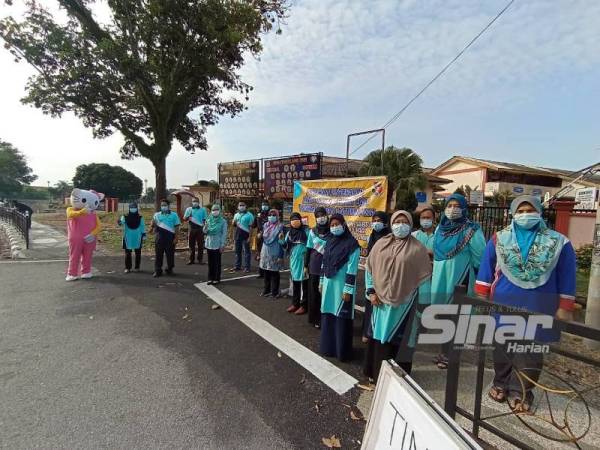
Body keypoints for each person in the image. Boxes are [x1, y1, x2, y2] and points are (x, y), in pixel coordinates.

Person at [475, 195, 576, 412]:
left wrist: (564, 306)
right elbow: (486, 266)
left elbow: (568, 275)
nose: (525, 215)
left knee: (531, 349)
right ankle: (500, 383)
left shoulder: (559, 242)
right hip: (503, 304)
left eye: (530, 211)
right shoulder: (499, 239)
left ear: (539, 213)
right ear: (512, 214)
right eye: (520, 212)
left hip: (540, 305)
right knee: (502, 346)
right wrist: (482, 295)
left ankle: (522, 391)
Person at [363, 210, 432, 381]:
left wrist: (423, 310)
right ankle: (375, 375)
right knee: (379, 341)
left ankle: (397, 381)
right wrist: (371, 291)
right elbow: (369, 269)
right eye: (397, 222)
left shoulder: (418, 249)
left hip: (404, 306)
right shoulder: (380, 244)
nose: (400, 225)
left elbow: (424, 282)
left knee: (399, 343)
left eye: (404, 222)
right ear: (391, 224)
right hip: (379, 303)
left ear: (410, 225)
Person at [431, 193, 486, 369]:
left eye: (457, 206)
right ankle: (444, 352)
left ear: (463, 209)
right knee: (445, 316)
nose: (452, 209)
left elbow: (480, 256)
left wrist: (479, 282)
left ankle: (451, 356)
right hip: (440, 278)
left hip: (460, 279)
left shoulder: (472, 229)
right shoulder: (440, 229)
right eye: (449, 205)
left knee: (457, 318)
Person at [319, 213, 360, 362]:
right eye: (332, 225)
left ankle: (342, 352)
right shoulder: (329, 241)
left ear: (344, 225)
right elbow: (325, 262)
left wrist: (348, 289)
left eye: (337, 224)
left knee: (342, 317)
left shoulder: (352, 244)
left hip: (342, 288)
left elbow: (352, 269)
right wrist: (322, 281)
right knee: (328, 315)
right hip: (329, 285)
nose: (335, 227)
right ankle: (328, 348)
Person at [362, 211, 390, 343]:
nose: (376, 223)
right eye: (374, 220)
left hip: (384, 275)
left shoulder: (390, 237)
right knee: (369, 304)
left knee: (381, 305)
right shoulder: (371, 237)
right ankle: (367, 332)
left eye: (379, 220)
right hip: (371, 273)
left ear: (385, 222)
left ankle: (378, 332)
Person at [304, 207, 330, 328]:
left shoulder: (333, 230)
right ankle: (315, 318)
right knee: (314, 293)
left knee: (326, 293)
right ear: (315, 218)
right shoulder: (312, 232)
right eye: (318, 216)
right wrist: (305, 265)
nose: (321, 218)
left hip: (329, 266)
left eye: (323, 215)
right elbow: (308, 249)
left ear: (326, 215)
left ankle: (326, 318)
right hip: (314, 266)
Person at [283, 212, 309, 314]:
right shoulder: (289, 233)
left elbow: (310, 245)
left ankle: (304, 305)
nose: (295, 221)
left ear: (300, 220)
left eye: (297, 219)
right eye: (292, 220)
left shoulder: (306, 231)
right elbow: (285, 246)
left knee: (304, 285)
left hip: (303, 261)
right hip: (293, 261)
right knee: (295, 284)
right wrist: (281, 241)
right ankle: (295, 304)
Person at [151, 199, 181, 277]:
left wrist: (176, 238)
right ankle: (158, 270)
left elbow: (177, 227)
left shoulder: (174, 215)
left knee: (170, 255)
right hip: (159, 238)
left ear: (168, 206)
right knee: (158, 255)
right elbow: (153, 227)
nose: (163, 207)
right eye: (162, 205)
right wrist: (152, 226)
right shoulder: (156, 215)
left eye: (165, 205)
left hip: (170, 238)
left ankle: (169, 269)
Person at [259, 209, 284, 297]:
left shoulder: (280, 227)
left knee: (274, 273)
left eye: (274, 215)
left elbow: (282, 242)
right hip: (265, 251)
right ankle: (266, 290)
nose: (271, 217)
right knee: (266, 272)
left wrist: (281, 256)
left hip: (275, 251)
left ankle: (274, 292)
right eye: (270, 215)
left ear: (277, 216)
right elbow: (263, 238)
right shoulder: (265, 225)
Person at [118, 202, 146, 273]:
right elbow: (121, 223)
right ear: (129, 208)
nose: (133, 209)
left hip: (138, 237)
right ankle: (128, 268)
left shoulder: (140, 217)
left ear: (137, 208)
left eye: (134, 207)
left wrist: (144, 235)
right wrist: (119, 222)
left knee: (138, 253)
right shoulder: (125, 217)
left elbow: (142, 226)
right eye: (131, 207)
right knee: (128, 253)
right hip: (128, 237)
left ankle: (137, 267)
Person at [204, 203, 228, 285]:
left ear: (219, 211)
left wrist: (222, 245)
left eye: (217, 210)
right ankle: (210, 278)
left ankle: (217, 278)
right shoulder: (208, 219)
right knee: (210, 263)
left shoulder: (223, 221)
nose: (215, 211)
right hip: (209, 243)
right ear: (211, 211)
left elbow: (224, 234)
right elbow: (205, 232)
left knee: (217, 262)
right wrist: (205, 227)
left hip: (217, 244)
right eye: (213, 210)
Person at [230, 201, 254, 273]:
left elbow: (251, 227)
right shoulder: (236, 215)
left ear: (245, 206)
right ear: (238, 207)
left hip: (246, 236)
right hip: (237, 236)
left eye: (243, 205)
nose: (241, 206)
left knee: (246, 252)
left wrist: (250, 237)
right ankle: (238, 266)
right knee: (237, 252)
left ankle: (247, 267)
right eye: (240, 205)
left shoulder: (249, 215)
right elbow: (234, 226)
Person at [183, 197, 207, 265]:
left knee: (200, 245)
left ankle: (200, 259)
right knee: (191, 245)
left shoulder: (203, 210)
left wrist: (205, 228)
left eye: (196, 201)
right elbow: (184, 218)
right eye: (194, 201)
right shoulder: (189, 209)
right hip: (191, 229)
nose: (195, 203)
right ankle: (191, 259)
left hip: (200, 229)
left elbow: (205, 220)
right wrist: (188, 217)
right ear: (192, 202)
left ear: (198, 202)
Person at [255, 201, 270, 278]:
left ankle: (267, 272)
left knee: (267, 255)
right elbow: (255, 224)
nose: (264, 206)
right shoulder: (258, 214)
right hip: (259, 237)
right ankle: (261, 273)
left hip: (268, 237)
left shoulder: (271, 214)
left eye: (266, 205)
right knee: (260, 254)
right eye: (263, 205)